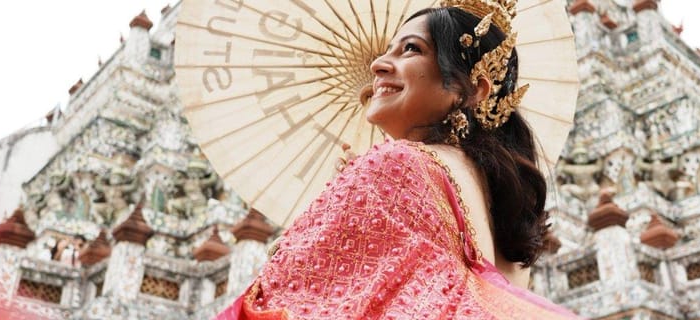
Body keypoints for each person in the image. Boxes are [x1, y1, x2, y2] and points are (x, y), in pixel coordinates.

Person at [217, 5, 579, 320]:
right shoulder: (508, 220)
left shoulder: (398, 165)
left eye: (411, 49)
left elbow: (287, 293)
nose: (377, 64)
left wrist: (353, 197)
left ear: (473, 89)